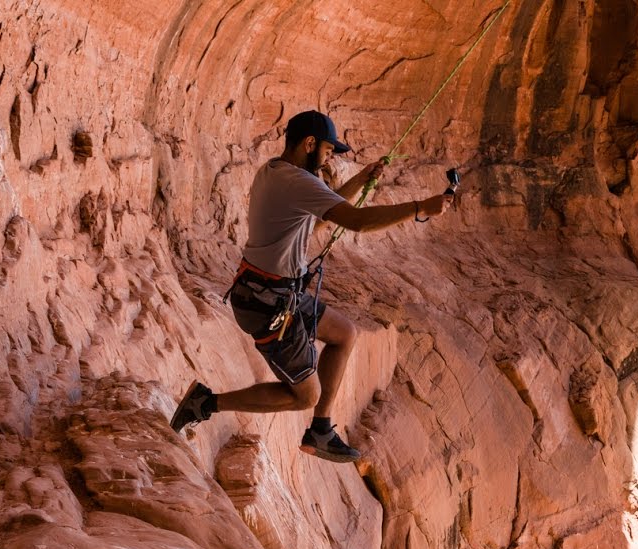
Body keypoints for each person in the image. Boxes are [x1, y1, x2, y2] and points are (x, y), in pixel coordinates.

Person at [169, 110, 452, 463]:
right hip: (267, 305)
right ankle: (207, 402)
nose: (329, 156)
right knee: (305, 395)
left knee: (345, 334)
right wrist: (419, 208)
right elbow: (358, 223)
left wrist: (362, 179)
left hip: (273, 294)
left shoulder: (277, 173)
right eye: (328, 150)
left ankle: (321, 431)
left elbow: (318, 218)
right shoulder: (296, 183)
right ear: (309, 144)